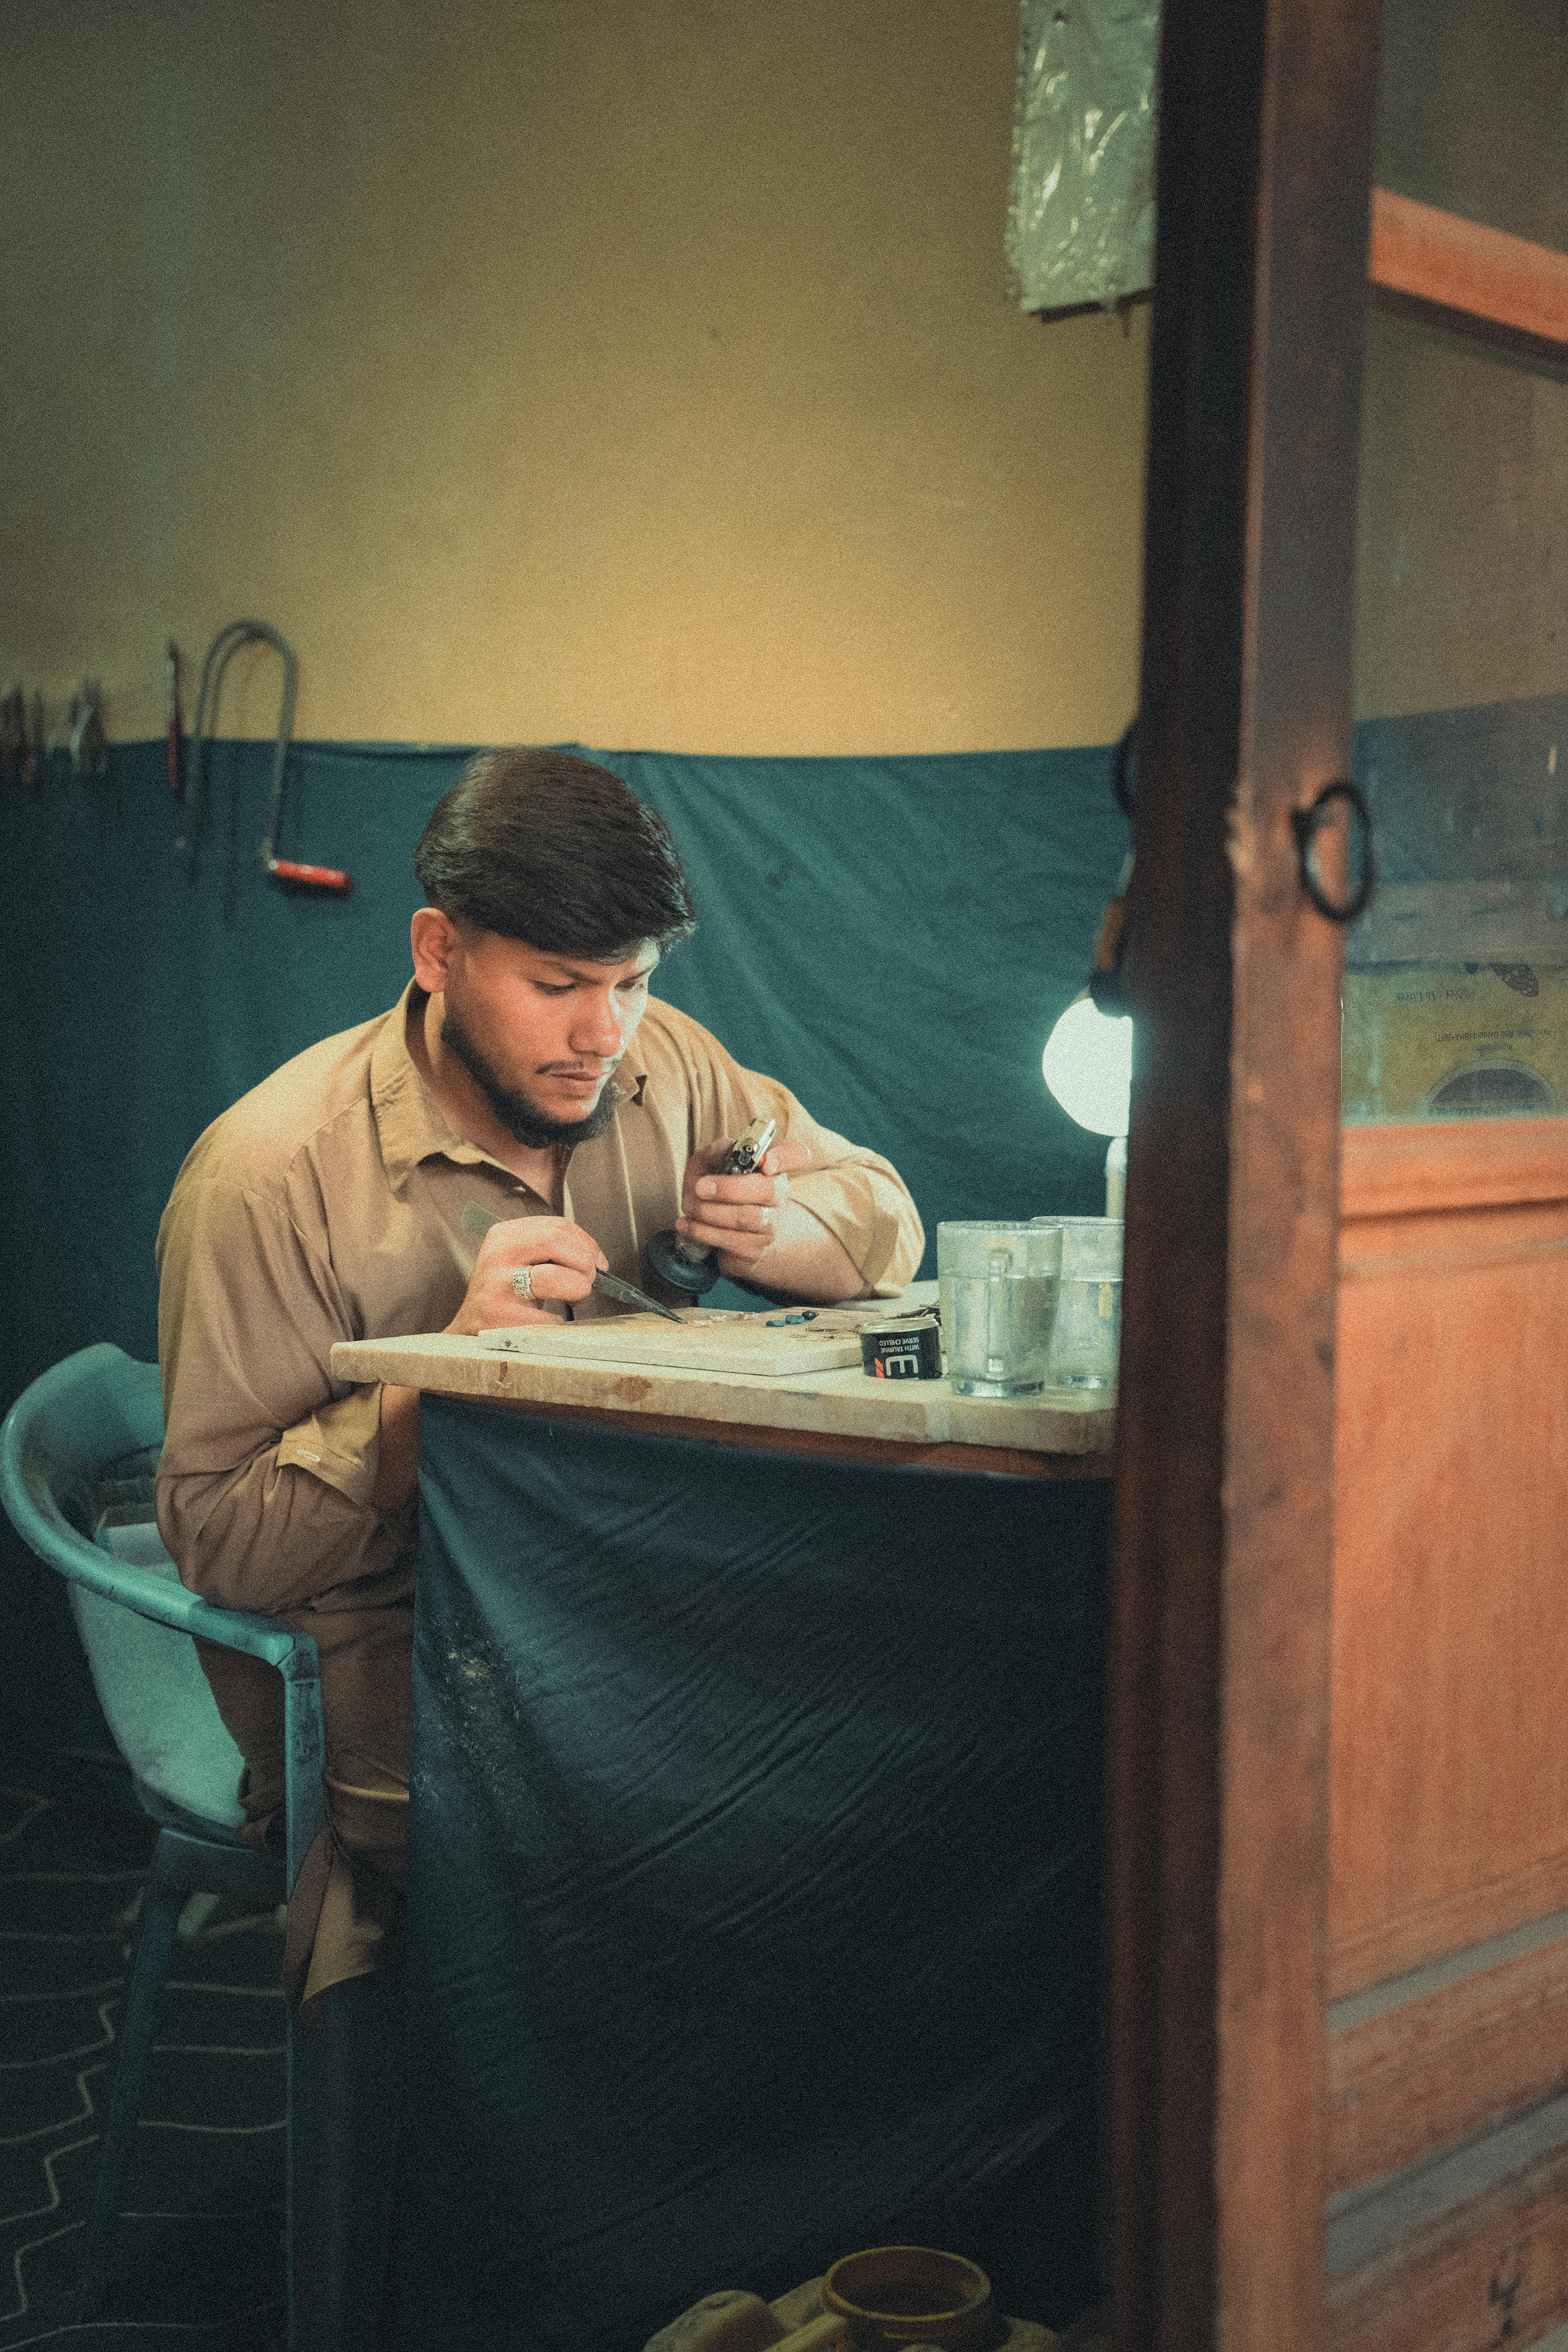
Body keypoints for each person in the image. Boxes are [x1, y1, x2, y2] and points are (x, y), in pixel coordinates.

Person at [155, 748, 924, 2018]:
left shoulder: (656, 1063)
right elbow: (222, 1543)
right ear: (437, 950)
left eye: (630, 981)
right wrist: (442, 1381)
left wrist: (769, 1231)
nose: (600, 1033)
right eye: (558, 984)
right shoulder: (268, 1176)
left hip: (621, 1601)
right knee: (718, 1846)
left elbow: (883, 1207)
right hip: (398, 1665)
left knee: (871, 1771)